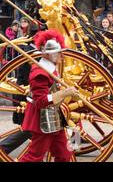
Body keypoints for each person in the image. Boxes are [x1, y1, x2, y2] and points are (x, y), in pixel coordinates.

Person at [20, 30, 78, 162]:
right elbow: (41, 101)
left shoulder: (51, 68)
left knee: (65, 154)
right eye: (59, 53)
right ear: (49, 55)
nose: (62, 56)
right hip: (43, 120)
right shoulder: (40, 73)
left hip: (56, 117)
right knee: (34, 157)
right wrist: (65, 93)